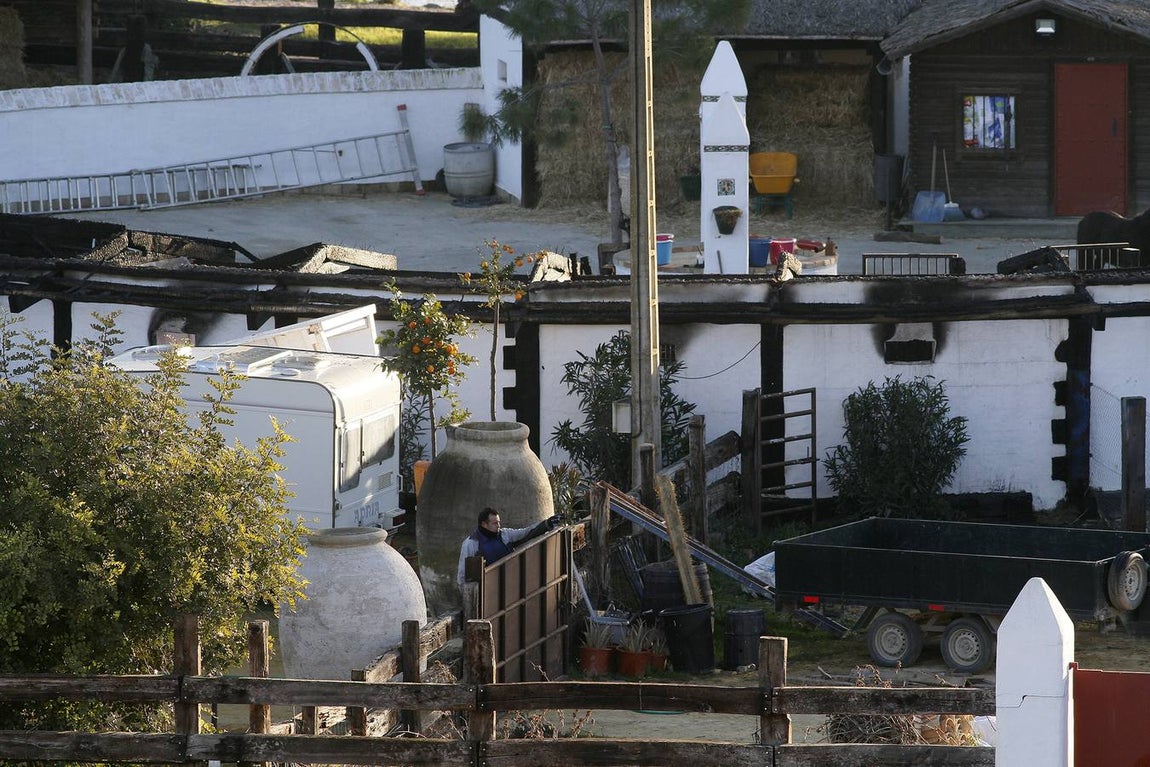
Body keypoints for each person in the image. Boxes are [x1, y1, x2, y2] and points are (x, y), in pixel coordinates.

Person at [457, 507, 560, 590]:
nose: (498, 526)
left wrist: (548, 524)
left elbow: (527, 532)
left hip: (511, 586)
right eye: (494, 523)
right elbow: (462, 575)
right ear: (484, 524)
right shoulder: (470, 544)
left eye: (498, 522)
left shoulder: (505, 535)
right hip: (487, 592)